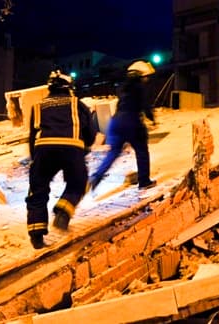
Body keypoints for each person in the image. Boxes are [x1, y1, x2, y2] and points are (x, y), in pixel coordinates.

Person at [26, 69, 97, 249]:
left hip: (44, 149)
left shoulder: (38, 106)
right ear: (69, 88)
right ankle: (63, 211)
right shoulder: (78, 104)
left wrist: (36, 160)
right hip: (71, 148)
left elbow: (32, 136)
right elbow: (90, 132)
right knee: (78, 182)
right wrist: (85, 145)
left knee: (38, 188)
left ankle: (36, 233)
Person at [89, 60, 158, 192]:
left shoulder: (122, 87)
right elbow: (145, 105)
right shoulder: (139, 87)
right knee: (142, 151)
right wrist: (152, 118)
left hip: (115, 122)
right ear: (140, 75)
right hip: (131, 121)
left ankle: (96, 177)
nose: (146, 80)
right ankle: (144, 181)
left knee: (113, 153)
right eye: (145, 77)